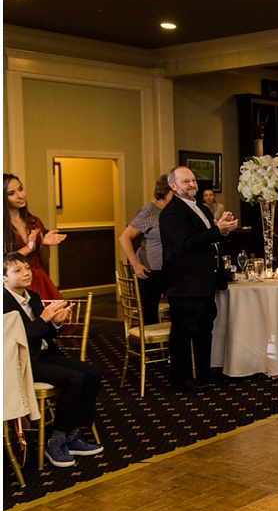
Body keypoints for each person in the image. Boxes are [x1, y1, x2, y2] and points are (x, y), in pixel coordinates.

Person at [3, 252, 104, 467]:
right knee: (73, 378)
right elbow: (14, 339)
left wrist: (56, 323)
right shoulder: (4, 303)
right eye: (17, 270)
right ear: (4, 278)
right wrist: (43, 319)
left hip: (44, 354)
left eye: (27, 268)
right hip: (22, 362)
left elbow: (45, 334)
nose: (26, 273)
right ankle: (56, 439)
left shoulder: (33, 297)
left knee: (93, 372)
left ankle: (73, 433)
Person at [159, 166, 238, 393]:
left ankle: (203, 371)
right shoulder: (172, 213)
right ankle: (181, 377)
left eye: (193, 180)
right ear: (173, 186)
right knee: (183, 331)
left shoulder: (200, 208)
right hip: (185, 282)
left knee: (205, 328)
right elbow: (188, 242)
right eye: (186, 181)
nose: (192, 184)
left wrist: (222, 229)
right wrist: (217, 230)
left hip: (204, 279)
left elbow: (208, 238)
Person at [119, 175, 173, 325]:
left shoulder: (174, 210)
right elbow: (124, 237)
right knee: (149, 314)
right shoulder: (149, 211)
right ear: (165, 191)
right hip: (151, 270)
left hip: (171, 269)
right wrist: (135, 265)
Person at [3, 173, 67, 300]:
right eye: (11, 193)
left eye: (20, 189)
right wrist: (28, 248)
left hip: (38, 279)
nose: (21, 195)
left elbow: (42, 262)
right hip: (13, 285)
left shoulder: (34, 222)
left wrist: (45, 245)